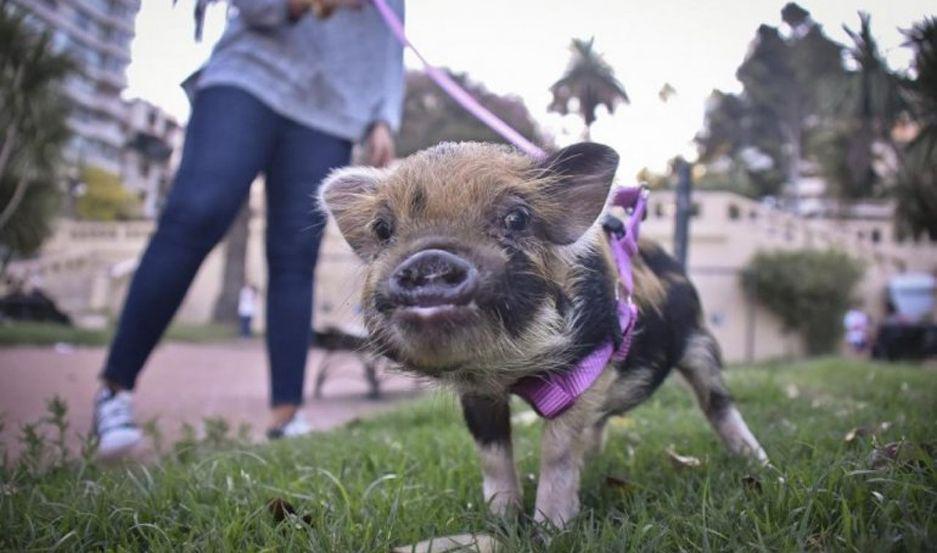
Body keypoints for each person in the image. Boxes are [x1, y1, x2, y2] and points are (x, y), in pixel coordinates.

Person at [92, 0, 405, 457]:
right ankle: (114, 389)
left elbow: (391, 34)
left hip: (333, 109)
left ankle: (287, 416)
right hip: (250, 78)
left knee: (296, 256)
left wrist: (384, 116)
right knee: (195, 214)